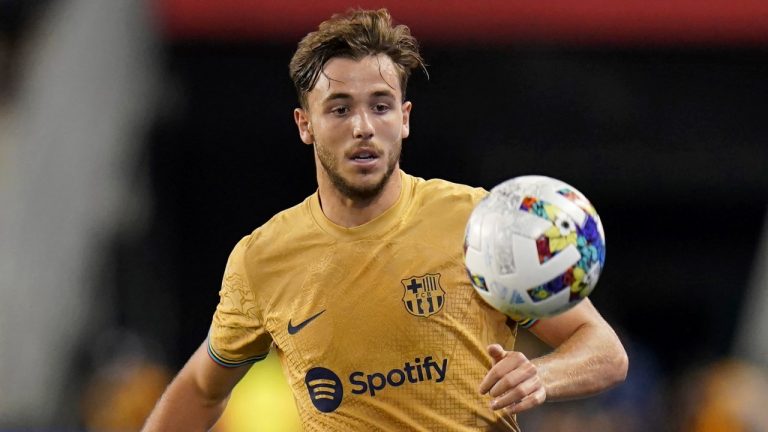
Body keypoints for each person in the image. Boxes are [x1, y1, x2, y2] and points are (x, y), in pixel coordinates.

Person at [142, 8, 627, 432]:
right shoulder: (262, 259)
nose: (363, 127)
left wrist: (541, 376)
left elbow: (604, 350)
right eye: (339, 108)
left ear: (406, 117)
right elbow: (202, 390)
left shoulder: (481, 223)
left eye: (380, 105)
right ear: (304, 124)